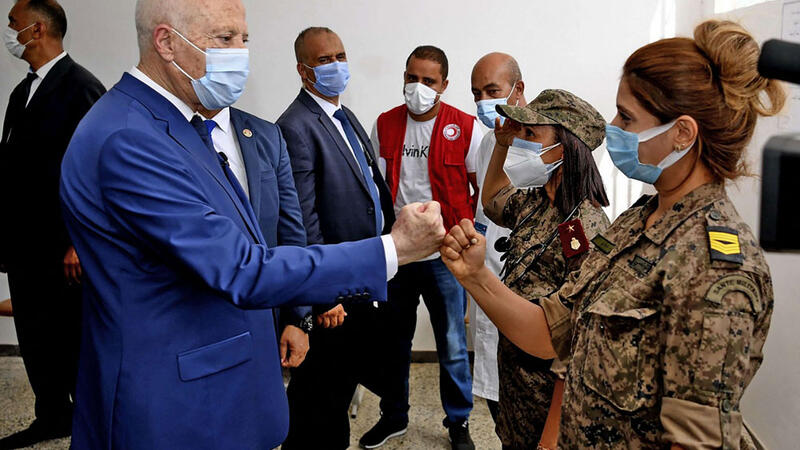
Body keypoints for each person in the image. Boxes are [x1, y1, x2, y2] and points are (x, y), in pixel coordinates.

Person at [59, 1, 445, 448]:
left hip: (222, 380)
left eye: (244, 39)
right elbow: (243, 267)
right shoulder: (131, 136)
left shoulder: (176, 124)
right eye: (224, 39)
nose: (240, 54)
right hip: (175, 403)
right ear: (165, 42)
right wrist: (393, 248)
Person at [440, 19, 783, 449]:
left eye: (627, 116)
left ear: (681, 133)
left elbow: (696, 440)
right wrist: (474, 276)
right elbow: (552, 334)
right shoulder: (637, 222)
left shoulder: (712, 265)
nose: (613, 127)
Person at [275, 27, 396, 450]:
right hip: (333, 293)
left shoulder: (344, 116)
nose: (336, 66)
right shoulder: (295, 126)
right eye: (324, 60)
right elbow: (301, 218)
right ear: (303, 70)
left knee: (338, 387)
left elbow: (370, 189)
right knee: (318, 397)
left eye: (340, 56)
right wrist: (323, 294)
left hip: (360, 278)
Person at [364, 45, 482, 450]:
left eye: (428, 80)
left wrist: (467, 237)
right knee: (393, 341)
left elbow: (480, 190)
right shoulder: (384, 124)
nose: (418, 87)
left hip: (445, 255)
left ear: (444, 85)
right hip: (398, 254)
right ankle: (393, 416)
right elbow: (377, 188)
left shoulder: (465, 127)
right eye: (412, 78)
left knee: (452, 344)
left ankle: (459, 422)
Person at [0, 0, 105, 447]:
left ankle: (94, 421)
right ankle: (51, 416)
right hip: (25, 244)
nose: (9, 31)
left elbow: (98, 172)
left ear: (37, 30)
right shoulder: (21, 92)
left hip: (63, 247)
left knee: (71, 339)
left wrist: (79, 242)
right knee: (35, 335)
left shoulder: (81, 87)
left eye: (13, 23)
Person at [481, 89, 611, 450]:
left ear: (564, 148)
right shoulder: (536, 201)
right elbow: (492, 200)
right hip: (517, 388)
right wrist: (502, 145)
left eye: (530, 134)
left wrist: (550, 439)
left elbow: (579, 345)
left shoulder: (586, 227)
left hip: (549, 403)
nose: (521, 141)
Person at [196, 104, 311, 369]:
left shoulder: (267, 134)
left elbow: (291, 232)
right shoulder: (166, 135)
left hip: (264, 314)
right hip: (201, 318)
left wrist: (298, 317)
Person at [468, 51, 526, 425]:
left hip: (529, 293)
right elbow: (484, 214)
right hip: (490, 280)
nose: (482, 102)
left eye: (492, 91)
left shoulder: (548, 143)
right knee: (496, 404)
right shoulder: (490, 141)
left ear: (518, 89)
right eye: (476, 94)